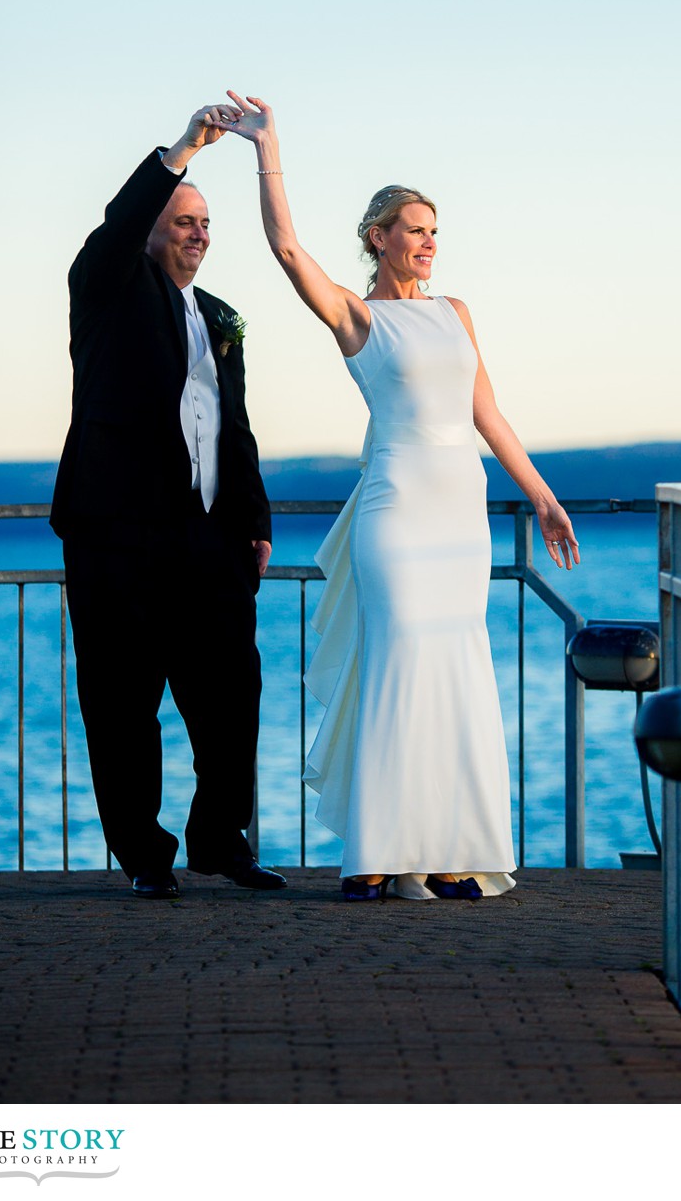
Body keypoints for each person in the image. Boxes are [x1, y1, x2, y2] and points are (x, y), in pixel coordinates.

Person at [215, 90, 580, 902]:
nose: (428, 243)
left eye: (433, 232)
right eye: (414, 231)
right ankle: (377, 851)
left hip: (462, 513)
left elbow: (488, 413)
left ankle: (449, 849)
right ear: (378, 239)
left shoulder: (457, 312)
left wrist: (545, 498)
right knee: (402, 656)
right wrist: (265, 147)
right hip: (394, 509)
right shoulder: (356, 318)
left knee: (454, 665)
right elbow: (284, 248)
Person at [50, 104, 286, 899]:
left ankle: (221, 841)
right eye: (184, 219)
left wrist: (251, 524)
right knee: (122, 708)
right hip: (116, 537)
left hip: (209, 544)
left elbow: (234, 428)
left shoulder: (218, 317)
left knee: (231, 701)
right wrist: (183, 151)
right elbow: (118, 227)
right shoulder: (108, 290)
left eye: (206, 223)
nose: (199, 233)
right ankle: (146, 858)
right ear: (150, 228)